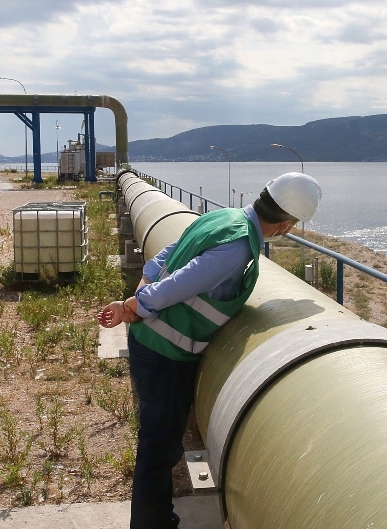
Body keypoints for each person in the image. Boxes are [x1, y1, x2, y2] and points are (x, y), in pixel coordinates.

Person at [98, 172, 322, 529]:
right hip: (165, 354)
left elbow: (167, 254)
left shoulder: (225, 217)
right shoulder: (238, 247)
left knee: (161, 441)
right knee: (157, 449)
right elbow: (185, 282)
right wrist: (136, 306)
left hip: (152, 344)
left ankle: (156, 516)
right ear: (285, 225)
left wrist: (142, 285)